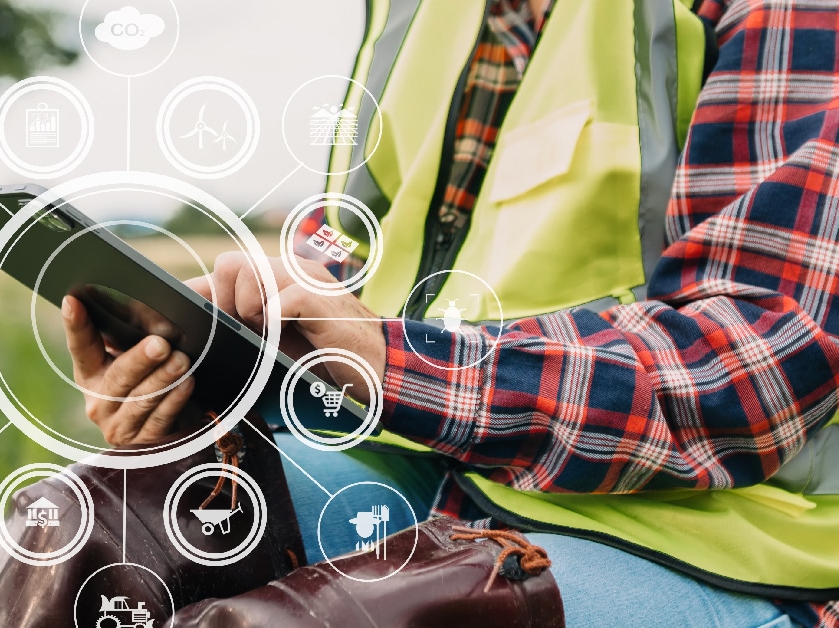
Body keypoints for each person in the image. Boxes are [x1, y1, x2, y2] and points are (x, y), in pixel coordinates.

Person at [60, 0, 839, 625]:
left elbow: (757, 360)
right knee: (80, 533)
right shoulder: (422, 17)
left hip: (721, 533)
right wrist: (222, 360)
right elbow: (345, 246)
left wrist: (392, 360)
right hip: (445, 468)